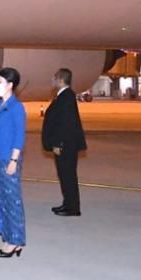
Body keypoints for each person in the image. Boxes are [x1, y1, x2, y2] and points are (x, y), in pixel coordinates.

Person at [0, 67, 27, 258]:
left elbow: (19, 136)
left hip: (8, 159)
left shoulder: (17, 108)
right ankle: (8, 237)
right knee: (0, 200)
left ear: (10, 85)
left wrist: (14, 160)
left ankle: (15, 240)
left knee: (12, 201)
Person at [43, 68, 87, 216]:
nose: (52, 80)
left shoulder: (66, 97)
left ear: (61, 80)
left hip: (65, 145)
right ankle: (67, 203)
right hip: (64, 144)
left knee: (68, 176)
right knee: (64, 175)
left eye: (55, 78)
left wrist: (59, 144)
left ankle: (73, 208)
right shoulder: (63, 96)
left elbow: (66, 125)